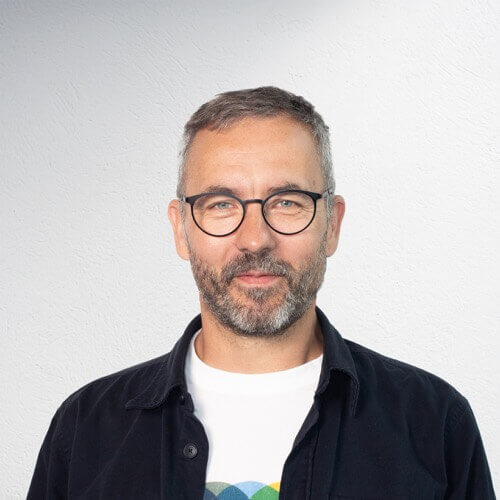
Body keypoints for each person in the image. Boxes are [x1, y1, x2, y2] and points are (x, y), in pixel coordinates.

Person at [27, 86, 495, 499]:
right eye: (221, 204)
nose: (255, 239)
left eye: (287, 202)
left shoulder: (434, 423)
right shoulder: (86, 430)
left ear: (332, 225)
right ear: (181, 229)